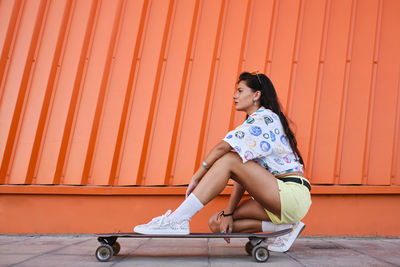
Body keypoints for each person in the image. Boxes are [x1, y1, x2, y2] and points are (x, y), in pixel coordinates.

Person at [134, 71, 312, 253]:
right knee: (217, 222)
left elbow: (222, 148)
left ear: (256, 95)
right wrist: (227, 212)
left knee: (228, 159)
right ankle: (286, 229)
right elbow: (243, 177)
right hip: (276, 195)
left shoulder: (265, 119)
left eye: (240, 91)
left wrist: (197, 177)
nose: (235, 96)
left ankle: (177, 220)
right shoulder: (255, 124)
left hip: (291, 193)